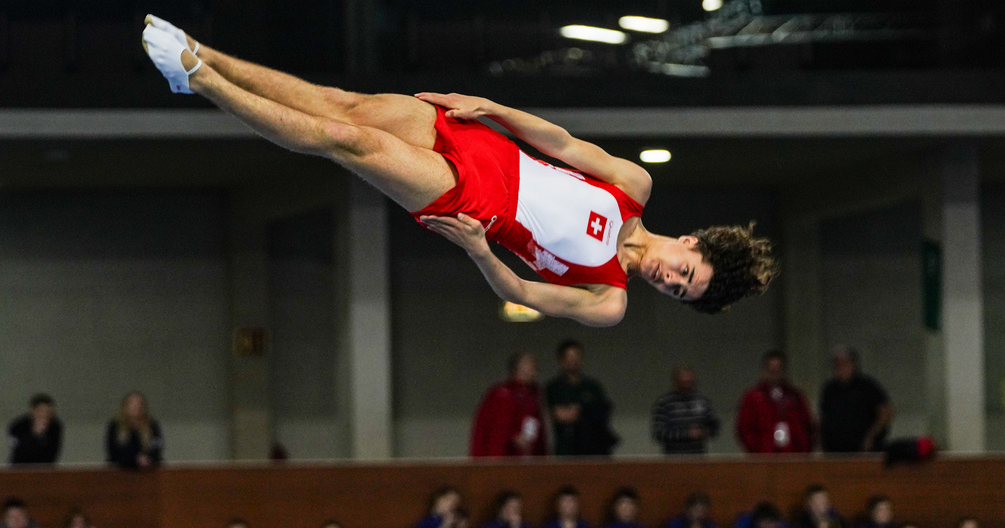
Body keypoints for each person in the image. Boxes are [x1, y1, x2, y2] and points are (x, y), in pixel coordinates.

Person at [140, 17, 777, 327]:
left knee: (345, 140)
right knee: (345, 103)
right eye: (686, 273)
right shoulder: (633, 187)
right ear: (691, 242)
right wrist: (491, 108)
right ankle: (198, 54)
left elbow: (522, 294)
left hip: (474, 202)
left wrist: (478, 249)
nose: (671, 281)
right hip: (489, 147)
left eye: (679, 292)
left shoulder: (608, 299)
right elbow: (557, 140)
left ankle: (199, 82)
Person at [545, 340, 617, 455]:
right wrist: (584, 411)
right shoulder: (554, 387)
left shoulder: (592, 386)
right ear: (561, 360)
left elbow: (603, 412)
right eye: (569, 357)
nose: (573, 360)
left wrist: (580, 411)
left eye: (576, 356)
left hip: (592, 448)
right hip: (567, 448)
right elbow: (561, 416)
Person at [469, 352, 548, 458]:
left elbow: (534, 423)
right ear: (518, 368)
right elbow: (495, 428)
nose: (535, 369)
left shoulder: (534, 394)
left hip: (527, 456)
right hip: (502, 456)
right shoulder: (501, 393)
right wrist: (513, 435)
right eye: (530, 364)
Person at [735, 350, 815, 454]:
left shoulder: (795, 396)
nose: (775, 374)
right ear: (764, 370)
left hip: (793, 456)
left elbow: (808, 425)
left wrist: (803, 450)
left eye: (778, 370)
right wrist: (757, 451)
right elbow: (744, 428)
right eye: (771, 370)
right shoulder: (753, 397)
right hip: (764, 458)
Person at [818, 348, 892, 454]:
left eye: (844, 363)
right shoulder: (829, 389)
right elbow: (822, 417)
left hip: (863, 449)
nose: (840, 368)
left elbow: (886, 412)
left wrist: (871, 437)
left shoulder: (867, 386)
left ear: (854, 364)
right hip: (835, 451)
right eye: (836, 365)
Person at [651, 366, 718, 455]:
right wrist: (686, 434)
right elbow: (659, 432)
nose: (688, 386)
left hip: (699, 456)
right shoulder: (664, 403)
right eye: (684, 383)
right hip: (673, 457)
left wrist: (704, 431)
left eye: (690, 383)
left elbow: (714, 426)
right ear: (675, 383)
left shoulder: (703, 402)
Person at [106, 390, 163, 469]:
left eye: (139, 404)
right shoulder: (115, 426)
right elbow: (113, 452)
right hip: (122, 470)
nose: (136, 406)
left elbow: (157, 446)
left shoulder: (152, 426)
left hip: (148, 470)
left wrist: (148, 459)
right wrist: (134, 459)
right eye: (132, 403)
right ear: (125, 406)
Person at [7, 393, 63, 465]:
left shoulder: (55, 427)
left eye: (49, 412)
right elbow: (19, 451)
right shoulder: (17, 427)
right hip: (19, 468)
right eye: (41, 411)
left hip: (44, 469)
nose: (45, 415)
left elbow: (52, 454)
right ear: (33, 411)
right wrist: (35, 435)